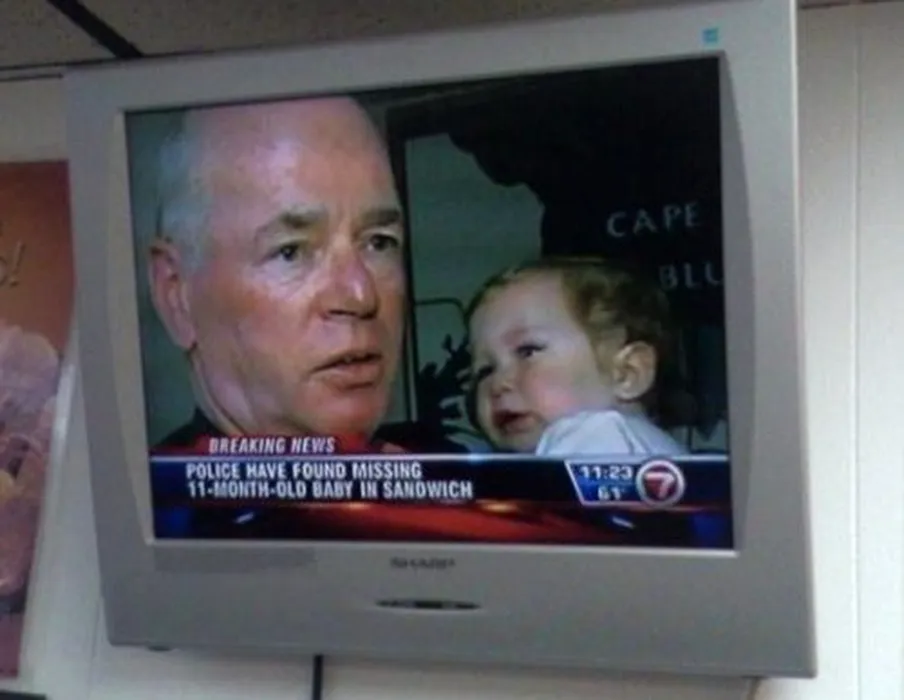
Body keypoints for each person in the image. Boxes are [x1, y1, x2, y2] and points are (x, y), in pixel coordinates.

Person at [146, 96, 410, 453]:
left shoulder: (455, 478)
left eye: (379, 243)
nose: (360, 295)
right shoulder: (146, 489)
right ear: (176, 294)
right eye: (291, 252)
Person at [466, 256, 687, 458]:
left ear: (626, 373)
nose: (497, 384)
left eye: (527, 351)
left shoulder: (597, 436)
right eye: (484, 370)